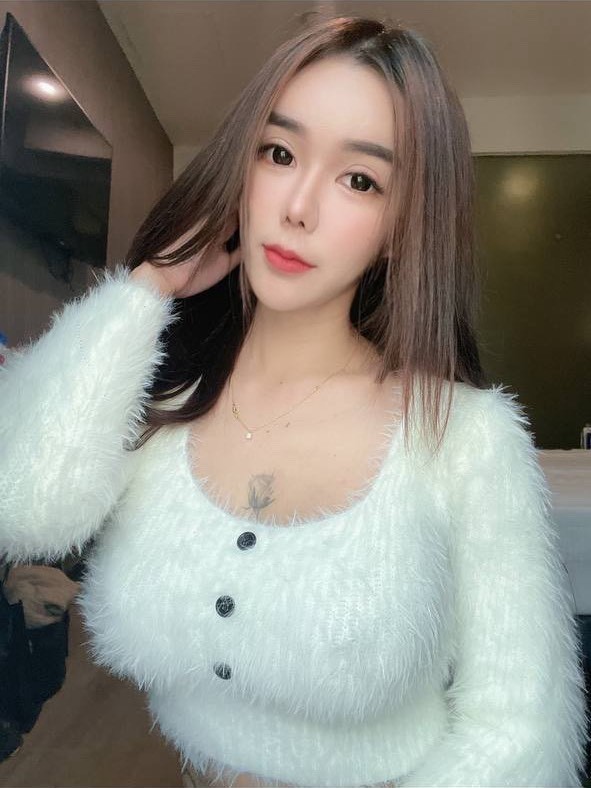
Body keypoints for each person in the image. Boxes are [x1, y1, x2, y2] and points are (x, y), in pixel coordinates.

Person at [0, 14, 588, 788]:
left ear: (400, 226)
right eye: (278, 153)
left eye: (359, 179)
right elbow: (25, 508)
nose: (298, 205)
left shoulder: (465, 437)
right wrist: (145, 290)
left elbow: (519, 732)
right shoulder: (167, 395)